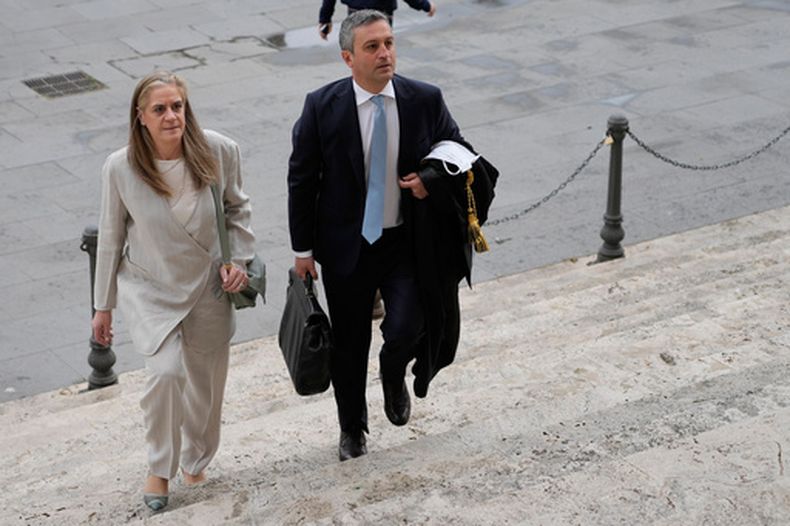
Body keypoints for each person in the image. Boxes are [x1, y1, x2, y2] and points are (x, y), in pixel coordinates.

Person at [288, 10, 483, 461]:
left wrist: (429, 180)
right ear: (347, 58)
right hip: (346, 246)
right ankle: (352, 428)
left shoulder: (424, 99)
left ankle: (393, 370)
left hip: (405, 242)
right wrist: (303, 251)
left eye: (390, 43)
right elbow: (302, 179)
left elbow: (458, 151)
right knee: (349, 343)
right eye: (372, 47)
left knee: (409, 323)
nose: (385, 54)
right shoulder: (321, 106)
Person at [91, 71, 256, 511]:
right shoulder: (120, 167)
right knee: (164, 373)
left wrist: (238, 262)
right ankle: (159, 468)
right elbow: (110, 237)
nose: (171, 117)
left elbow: (237, 210)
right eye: (160, 109)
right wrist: (102, 307)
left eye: (177, 106)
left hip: (207, 283)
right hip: (151, 287)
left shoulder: (219, 150)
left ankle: (196, 456)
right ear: (141, 117)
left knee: (205, 384)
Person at [318, 0, 436, 40]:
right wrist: (424, 5)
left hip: (356, 11)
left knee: (360, 48)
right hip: (382, 13)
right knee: (381, 50)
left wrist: (325, 19)